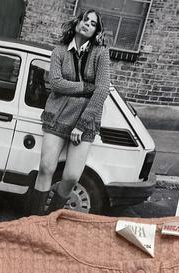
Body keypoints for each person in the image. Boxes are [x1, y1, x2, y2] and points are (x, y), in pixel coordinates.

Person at [26, 9, 111, 215]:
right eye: (85, 19)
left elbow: (102, 90)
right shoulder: (60, 51)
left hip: (85, 120)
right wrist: (85, 87)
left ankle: (52, 216)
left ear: (96, 31)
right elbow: (55, 83)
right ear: (77, 22)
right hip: (58, 114)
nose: (87, 24)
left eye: (93, 23)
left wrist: (81, 125)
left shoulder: (101, 54)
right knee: (46, 167)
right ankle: (35, 220)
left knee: (72, 176)